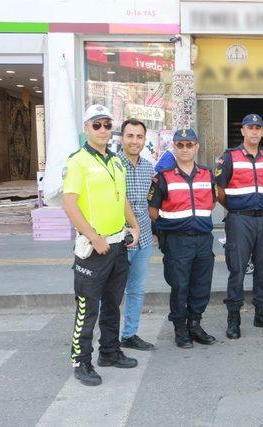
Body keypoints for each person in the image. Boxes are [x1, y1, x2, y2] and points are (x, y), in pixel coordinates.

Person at [62, 104, 140, 386]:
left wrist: (135, 225)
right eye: (97, 125)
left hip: (118, 245)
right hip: (93, 248)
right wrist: (94, 237)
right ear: (86, 128)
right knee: (87, 307)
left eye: (108, 125)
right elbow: (69, 203)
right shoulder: (78, 161)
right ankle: (81, 361)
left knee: (112, 303)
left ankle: (110, 351)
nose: (104, 130)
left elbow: (123, 199)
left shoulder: (116, 161)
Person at [214, 113, 263, 339]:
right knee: (238, 270)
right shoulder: (229, 157)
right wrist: (235, 209)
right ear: (242, 131)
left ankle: (261, 314)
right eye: (249, 127)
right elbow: (219, 191)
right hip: (239, 220)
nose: (254, 131)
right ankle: (233, 318)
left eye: (258, 128)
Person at [148, 128, 216, 349]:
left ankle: (195, 324)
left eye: (189, 144)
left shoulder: (208, 174)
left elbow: (211, 203)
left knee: (201, 285)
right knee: (180, 286)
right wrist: (169, 229)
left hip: (203, 239)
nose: (185, 149)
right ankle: (180, 328)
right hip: (177, 241)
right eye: (180, 145)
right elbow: (153, 211)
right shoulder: (163, 177)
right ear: (174, 147)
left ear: (197, 146)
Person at [118, 119, 156, 351]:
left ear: (144, 139)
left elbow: (149, 202)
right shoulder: (112, 164)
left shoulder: (148, 167)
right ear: (121, 138)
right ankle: (108, 338)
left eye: (139, 136)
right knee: (111, 293)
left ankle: (129, 334)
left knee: (136, 290)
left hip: (144, 241)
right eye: (130, 136)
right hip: (119, 240)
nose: (134, 141)